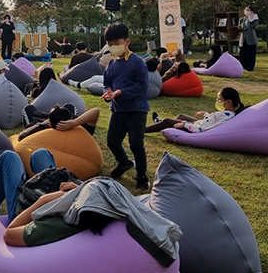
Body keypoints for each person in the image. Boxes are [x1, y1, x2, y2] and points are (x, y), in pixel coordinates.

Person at [102, 23, 150, 190]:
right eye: (110, 44)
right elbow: (106, 83)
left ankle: (142, 176)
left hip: (137, 110)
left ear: (127, 42)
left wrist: (121, 92)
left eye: (117, 43)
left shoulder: (137, 62)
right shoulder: (111, 64)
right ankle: (124, 163)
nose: (114, 47)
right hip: (118, 110)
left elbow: (143, 86)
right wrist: (108, 93)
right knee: (112, 142)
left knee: (136, 144)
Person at [145, 87, 246, 133]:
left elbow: (204, 128)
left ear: (229, 102)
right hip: (201, 123)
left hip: (198, 128)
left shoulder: (223, 115)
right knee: (181, 116)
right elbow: (213, 121)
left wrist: (185, 124)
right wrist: (206, 114)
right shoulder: (228, 114)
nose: (217, 101)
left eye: (219, 100)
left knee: (168, 121)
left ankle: (142, 130)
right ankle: (160, 122)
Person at [238, 6, 259, 71]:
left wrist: (251, 19)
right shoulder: (242, 19)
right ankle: (242, 66)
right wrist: (240, 28)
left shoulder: (255, 18)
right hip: (243, 39)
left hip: (251, 39)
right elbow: (242, 29)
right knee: (242, 53)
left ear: (252, 11)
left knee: (250, 54)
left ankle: (249, 67)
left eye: (248, 10)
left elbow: (253, 26)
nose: (246, 11)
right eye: (245, 10)